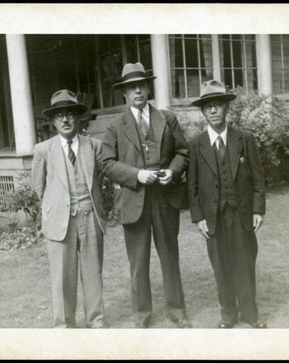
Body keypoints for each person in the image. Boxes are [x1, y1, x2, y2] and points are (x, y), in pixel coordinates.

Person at [101, 62, 190, 328]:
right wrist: (137, 175)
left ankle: (177, 312)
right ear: (124, 93)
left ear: (148, 87)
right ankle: (142, 317)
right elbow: (106, 163)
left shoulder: (167, 118)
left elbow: (183, 152)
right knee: (138, 263)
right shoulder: (115, 126)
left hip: (165, 198)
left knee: (170, 258)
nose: (137, 91)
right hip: (134, 201)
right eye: (131, 87)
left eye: (141, 85)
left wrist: (172, 172)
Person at [187, 80, 267, 329]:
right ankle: (228, 315)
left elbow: (258, 178)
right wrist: (198, 217)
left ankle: (250, 315)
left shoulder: (244, 139)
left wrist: (258, 209)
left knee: (245, 262)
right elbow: (192, 186)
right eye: (208, 106)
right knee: (220, 265)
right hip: (212, 217)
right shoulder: (196, 145)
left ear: (226, 109)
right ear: (203, 111)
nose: (213, 111)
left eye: (218, 105)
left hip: (241, 214)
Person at [32, 89, 108, 328]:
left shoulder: (93, 146)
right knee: (62, 276)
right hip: (59, 221)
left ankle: (95, 320)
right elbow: (39, 186)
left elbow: (105, 176)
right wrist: (56, 207)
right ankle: (64, 324)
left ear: (78, 117)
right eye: (59, 115)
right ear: (53, 121)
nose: (65, 119)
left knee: (92, 272)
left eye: (70, 114)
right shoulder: (43, 149)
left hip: (89, 216)